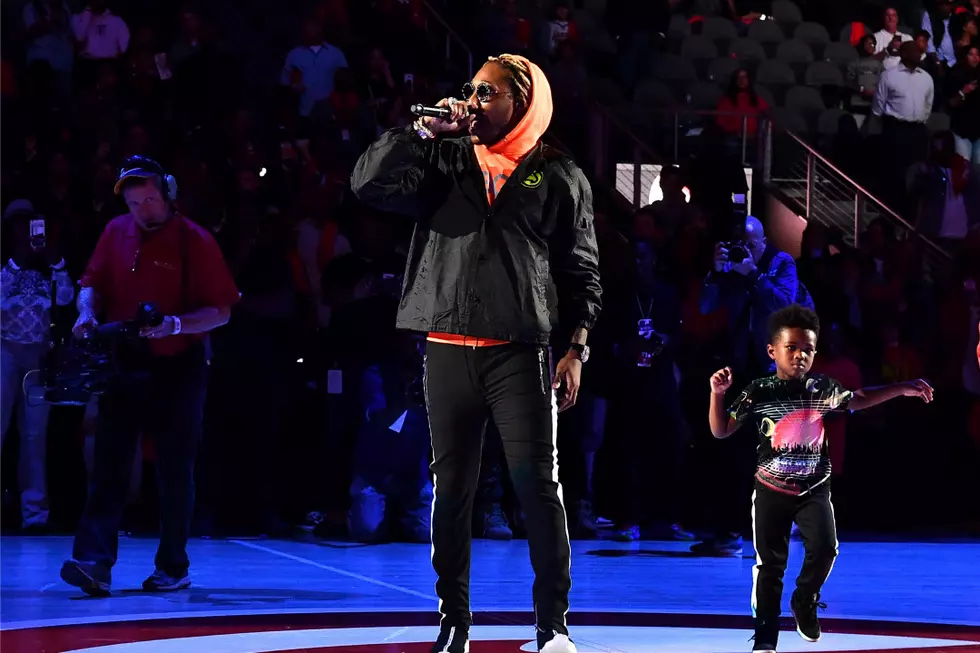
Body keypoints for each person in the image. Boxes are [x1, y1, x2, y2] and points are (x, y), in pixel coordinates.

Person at [351, 53, 601, 653]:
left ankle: (552, 628)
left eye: (487, 93)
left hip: (520, 351)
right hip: (446, 347)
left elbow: (582, 273)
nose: (473, 100)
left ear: (522, 102)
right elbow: (367, 184)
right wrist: (420, 132)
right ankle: (453, 623)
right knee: (451, 488)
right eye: (470, 90)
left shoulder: (557, 173)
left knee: (537, 486)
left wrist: (576, 350)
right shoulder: (443, 157)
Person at [61, 156, 240, 596]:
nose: (143, 209)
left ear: (168, 194)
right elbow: (92, 281)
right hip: (126, 361)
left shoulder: (194, 241)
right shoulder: (115, 233)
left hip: (178, 365)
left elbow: (220, 311)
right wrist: (85, 312)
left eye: (150, 200)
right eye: (134, 202)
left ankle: (172, 566)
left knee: (174, 470)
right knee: (109, 465)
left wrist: (175, 324)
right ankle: (93, 563)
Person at [708, 305, 934, 653]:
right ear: (773, 350)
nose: (800, 355)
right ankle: (766, 637)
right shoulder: (760, 391)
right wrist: (718, 395)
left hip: (814, 489)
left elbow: (858, 399)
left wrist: (901, 387)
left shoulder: (822, 387)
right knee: (771, 566)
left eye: (808, 350)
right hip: (770, 491)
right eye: (792, 348)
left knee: (826, 549)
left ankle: (805, 598)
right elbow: (721, 430)